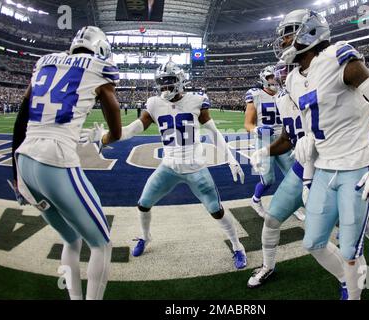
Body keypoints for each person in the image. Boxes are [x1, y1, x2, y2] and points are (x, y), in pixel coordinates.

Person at [275, 9, 369, 299]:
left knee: (350, 249)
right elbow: (310, 128)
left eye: (289, 32)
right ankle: (351, 281)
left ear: (310, 32)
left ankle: (357, 289)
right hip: (324, 169)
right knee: (314, 243)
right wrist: (307, 176)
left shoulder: (338, 57)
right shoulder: (293, 79)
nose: (283, 41)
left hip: (357, 165)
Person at [82, 61, 248, 270]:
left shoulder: (197, 101)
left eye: (169, 83)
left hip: (195, 167)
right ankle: (145, 236)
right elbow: (133, 129)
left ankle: (237, 246)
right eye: (161, 84)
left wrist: (231, 159)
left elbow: (214, 134)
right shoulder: (154, 104)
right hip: (168, 166)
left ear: (180, 82)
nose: (165, 88)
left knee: (216, 210)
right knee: (143, 204)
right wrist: (106, 136)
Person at [11, 26, 121, 300]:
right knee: (101, 243)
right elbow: (116, 125)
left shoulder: (44, 62)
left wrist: (16, 174)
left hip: (24, 159)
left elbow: (23, 113)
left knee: (71, 239)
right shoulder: (99, 66)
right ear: (102, 49)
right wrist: (104, 137)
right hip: (55, 160)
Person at [247, 62, 309, 288]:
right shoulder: (279, 99)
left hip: (326, 165)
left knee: (339, 224)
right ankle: (268, 265)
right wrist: (262, 147)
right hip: (295, 159)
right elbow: (284, 137)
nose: (279, 80)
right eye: (276, 77)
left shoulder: (317, 90)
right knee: (272, 215)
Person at [244, 66, 298, 219]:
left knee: (293, 176)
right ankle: (256, 200)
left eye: (275, 76)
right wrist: (256, 130)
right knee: (268, 180)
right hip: (264, 140)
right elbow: (248, 124)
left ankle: (292, 205)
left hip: (284, 139)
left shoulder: (285, 94)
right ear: (264, 79)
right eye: (270, 77)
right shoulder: (256, 95)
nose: (274, 80)